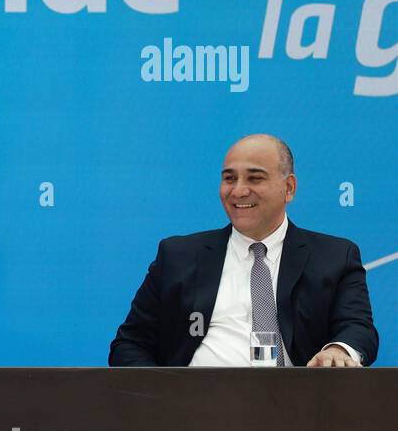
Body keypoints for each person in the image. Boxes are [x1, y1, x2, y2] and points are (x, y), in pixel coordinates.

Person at [110, 134, 378, 367]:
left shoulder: (335, 257)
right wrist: (163, 397)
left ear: (289, 187)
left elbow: (357, 328)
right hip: (195, 409)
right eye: (229, 178)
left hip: (296, 409)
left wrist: (338, 350)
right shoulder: (177, 255)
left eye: (255, 178)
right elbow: (130, 344)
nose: (238, 191)